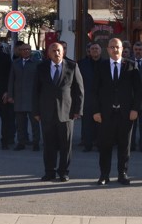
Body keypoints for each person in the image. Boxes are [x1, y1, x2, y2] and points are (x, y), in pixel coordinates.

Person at [92, 39, 142, 185]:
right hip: (105, 114)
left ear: (122, 49)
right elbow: (93, 90)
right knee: (105, 146)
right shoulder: (101, 66)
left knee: (124, 145)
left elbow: (138, 90)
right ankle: (104, 175)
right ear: (107, 49)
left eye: (118, 47)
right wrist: (95, 111)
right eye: (112, 47)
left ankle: (123, 173)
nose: (115, 50)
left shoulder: (131, 65)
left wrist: (135, 109)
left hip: (125, 113)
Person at [33, 42, 84, 182]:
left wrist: (78, 110)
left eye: (59, 50)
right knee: (48, 144)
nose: (57, 53)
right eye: (54, 50)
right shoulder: (41, 67)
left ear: (63, 52)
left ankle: (63, 172)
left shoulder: (72, 66)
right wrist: (36, 112)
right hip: (46, 113)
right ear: (48, 53)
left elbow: (79, 90)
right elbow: (35, 91)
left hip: (67, 113)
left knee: (65, 145)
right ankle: (49, 171)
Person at [7, 42, 40, 151]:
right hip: (19, 98)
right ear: (20, 52)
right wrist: (10, 95)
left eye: (28, 49)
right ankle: (21, 142)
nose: (26, 51)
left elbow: (40, 82)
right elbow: (11, 80)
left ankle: (36, 143)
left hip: (32, 98)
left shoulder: (36, 63)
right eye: (24, 50)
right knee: (20, 123)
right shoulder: (15, 63)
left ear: (30, 51)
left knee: (34, 123)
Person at [78, 42, 102, 151]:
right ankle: (87, 144)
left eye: (96, 48)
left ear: (100, 51)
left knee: (101, 122)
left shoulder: (106, 63)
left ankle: (99, 143)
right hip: (86, 97)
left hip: (101, 98)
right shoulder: (82, 64)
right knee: (87, 123)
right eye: (92, 49)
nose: (94, 50)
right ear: (89, 51)